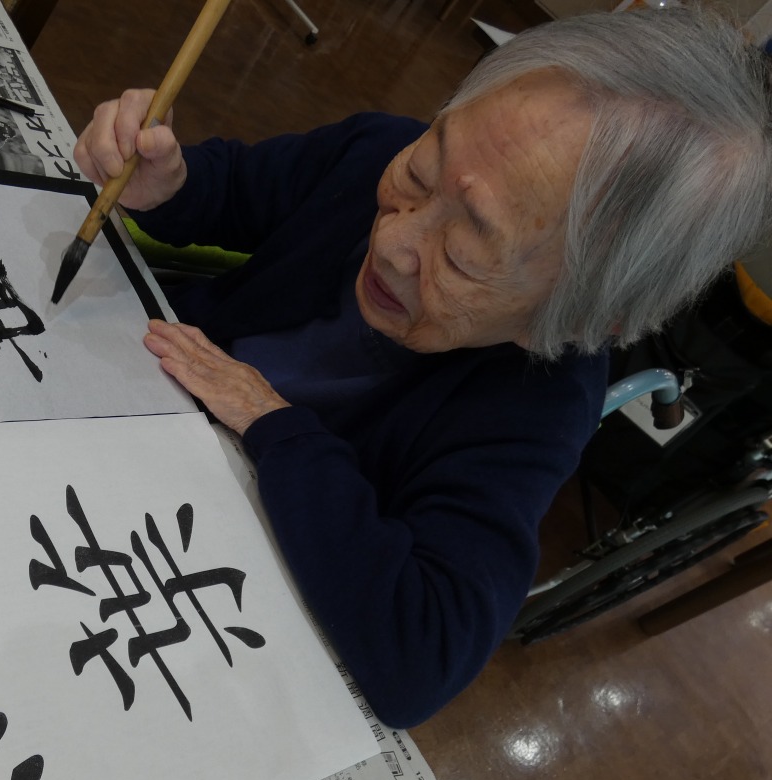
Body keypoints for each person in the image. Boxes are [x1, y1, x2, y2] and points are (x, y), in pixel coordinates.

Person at [72, 7, 772, 727]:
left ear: (582, 318)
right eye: (418, 174)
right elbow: (236, 192)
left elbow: (424, 656)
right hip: (114, 398)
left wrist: (272, 422)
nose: (394, 244)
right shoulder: (375, 148)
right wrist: (170, 184)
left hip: (189, 543)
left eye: (464, 256)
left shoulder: (536, 406)